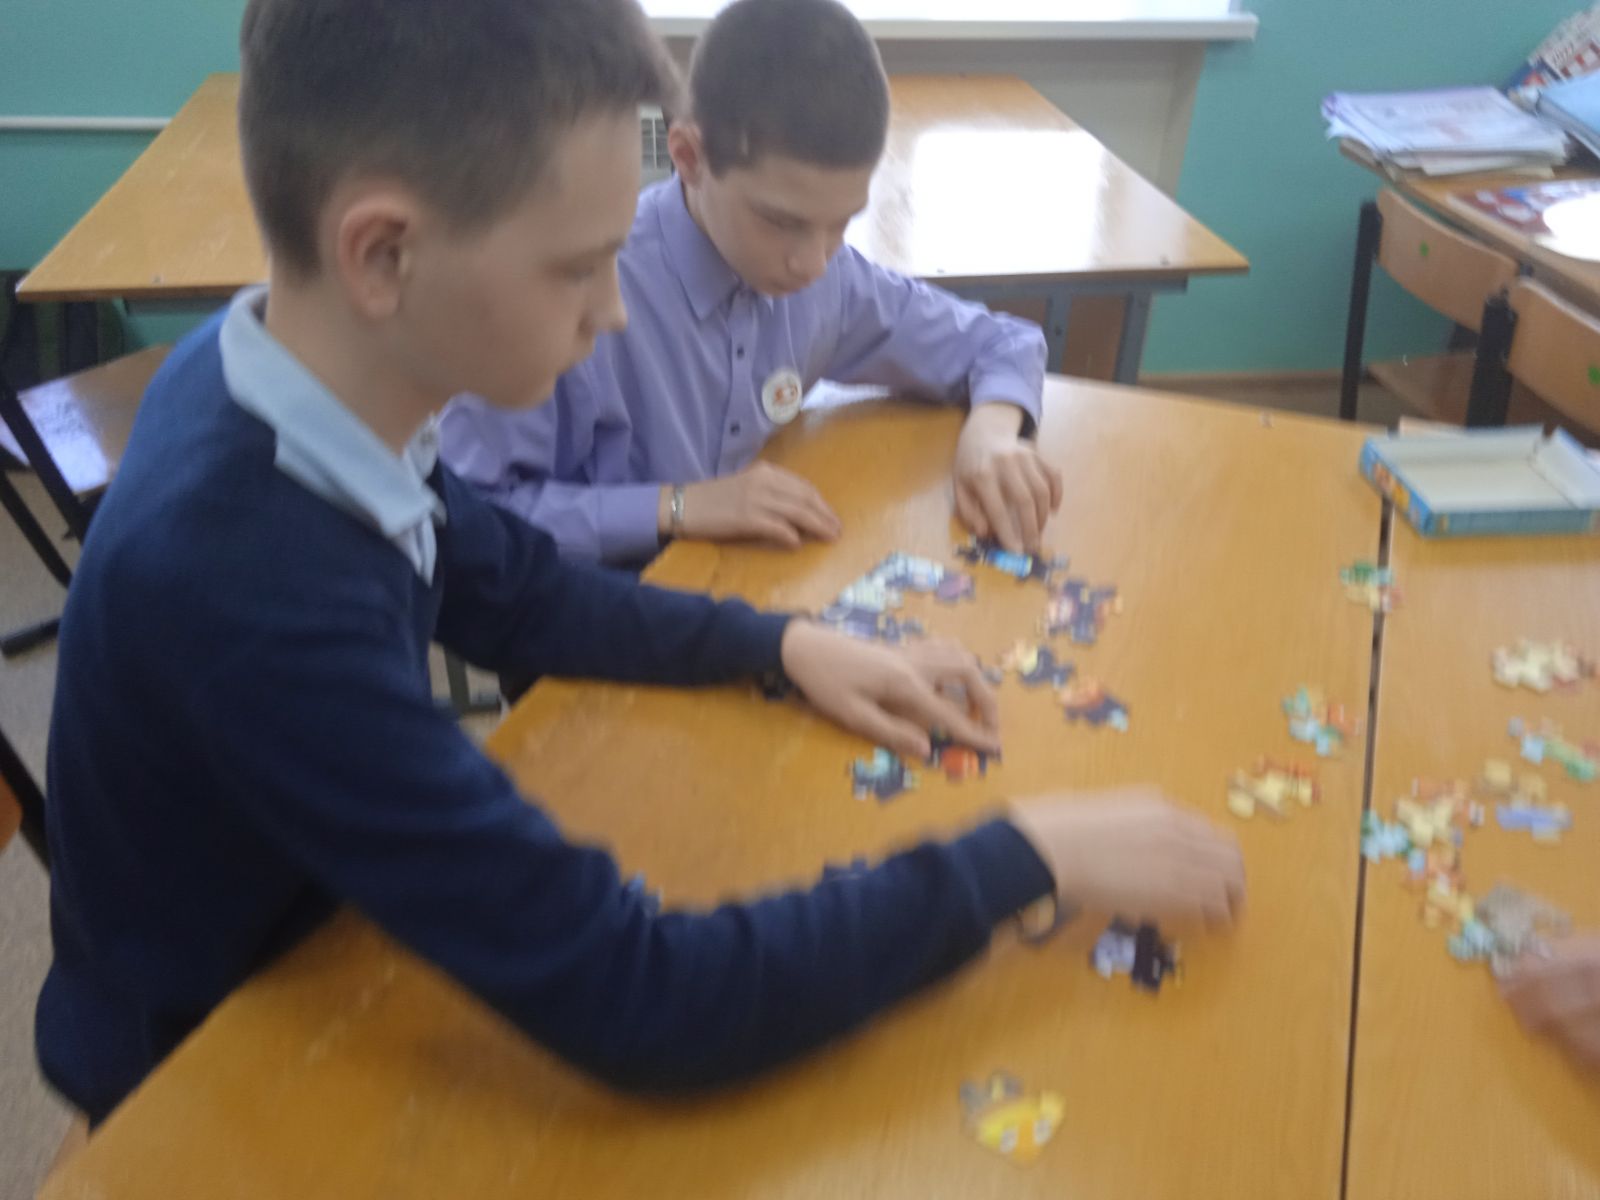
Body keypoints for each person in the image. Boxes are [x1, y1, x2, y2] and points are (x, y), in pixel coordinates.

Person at [37, 0, 1244, 1128]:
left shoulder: (281, 372)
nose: (614, 311)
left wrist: (785, 645)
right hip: (208, 1072)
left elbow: (520, 592)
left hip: (333, 928)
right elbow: (647, 998)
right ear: (383, 255)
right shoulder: (254, 590)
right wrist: (1025, 852)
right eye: (577, 266)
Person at [438, 0, 1061, 568]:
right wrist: (676, 506)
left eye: (841, 223)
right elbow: (463, 519)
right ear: (689, 157)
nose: (813, 263)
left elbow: (1001, 342)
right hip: (589, 612)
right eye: (781, 222)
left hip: (738, 585)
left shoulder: (829, 280)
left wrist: (992, 436)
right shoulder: (577, 292)